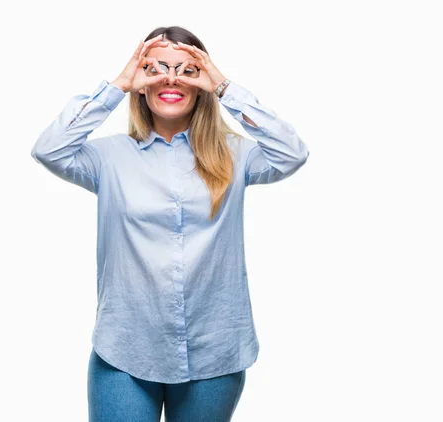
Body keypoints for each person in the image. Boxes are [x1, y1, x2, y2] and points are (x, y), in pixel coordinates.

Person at [30, 25, 309, 422]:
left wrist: (226, 87)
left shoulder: (237, 156)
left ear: (202, 84)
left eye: (186, 70)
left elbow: (291, 155)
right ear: (141, 84)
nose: (170, 79)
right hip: (126, 352)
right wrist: (119, 84)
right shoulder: (108, 158)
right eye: (155, 69)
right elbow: (48, 149)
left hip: (215, 352)